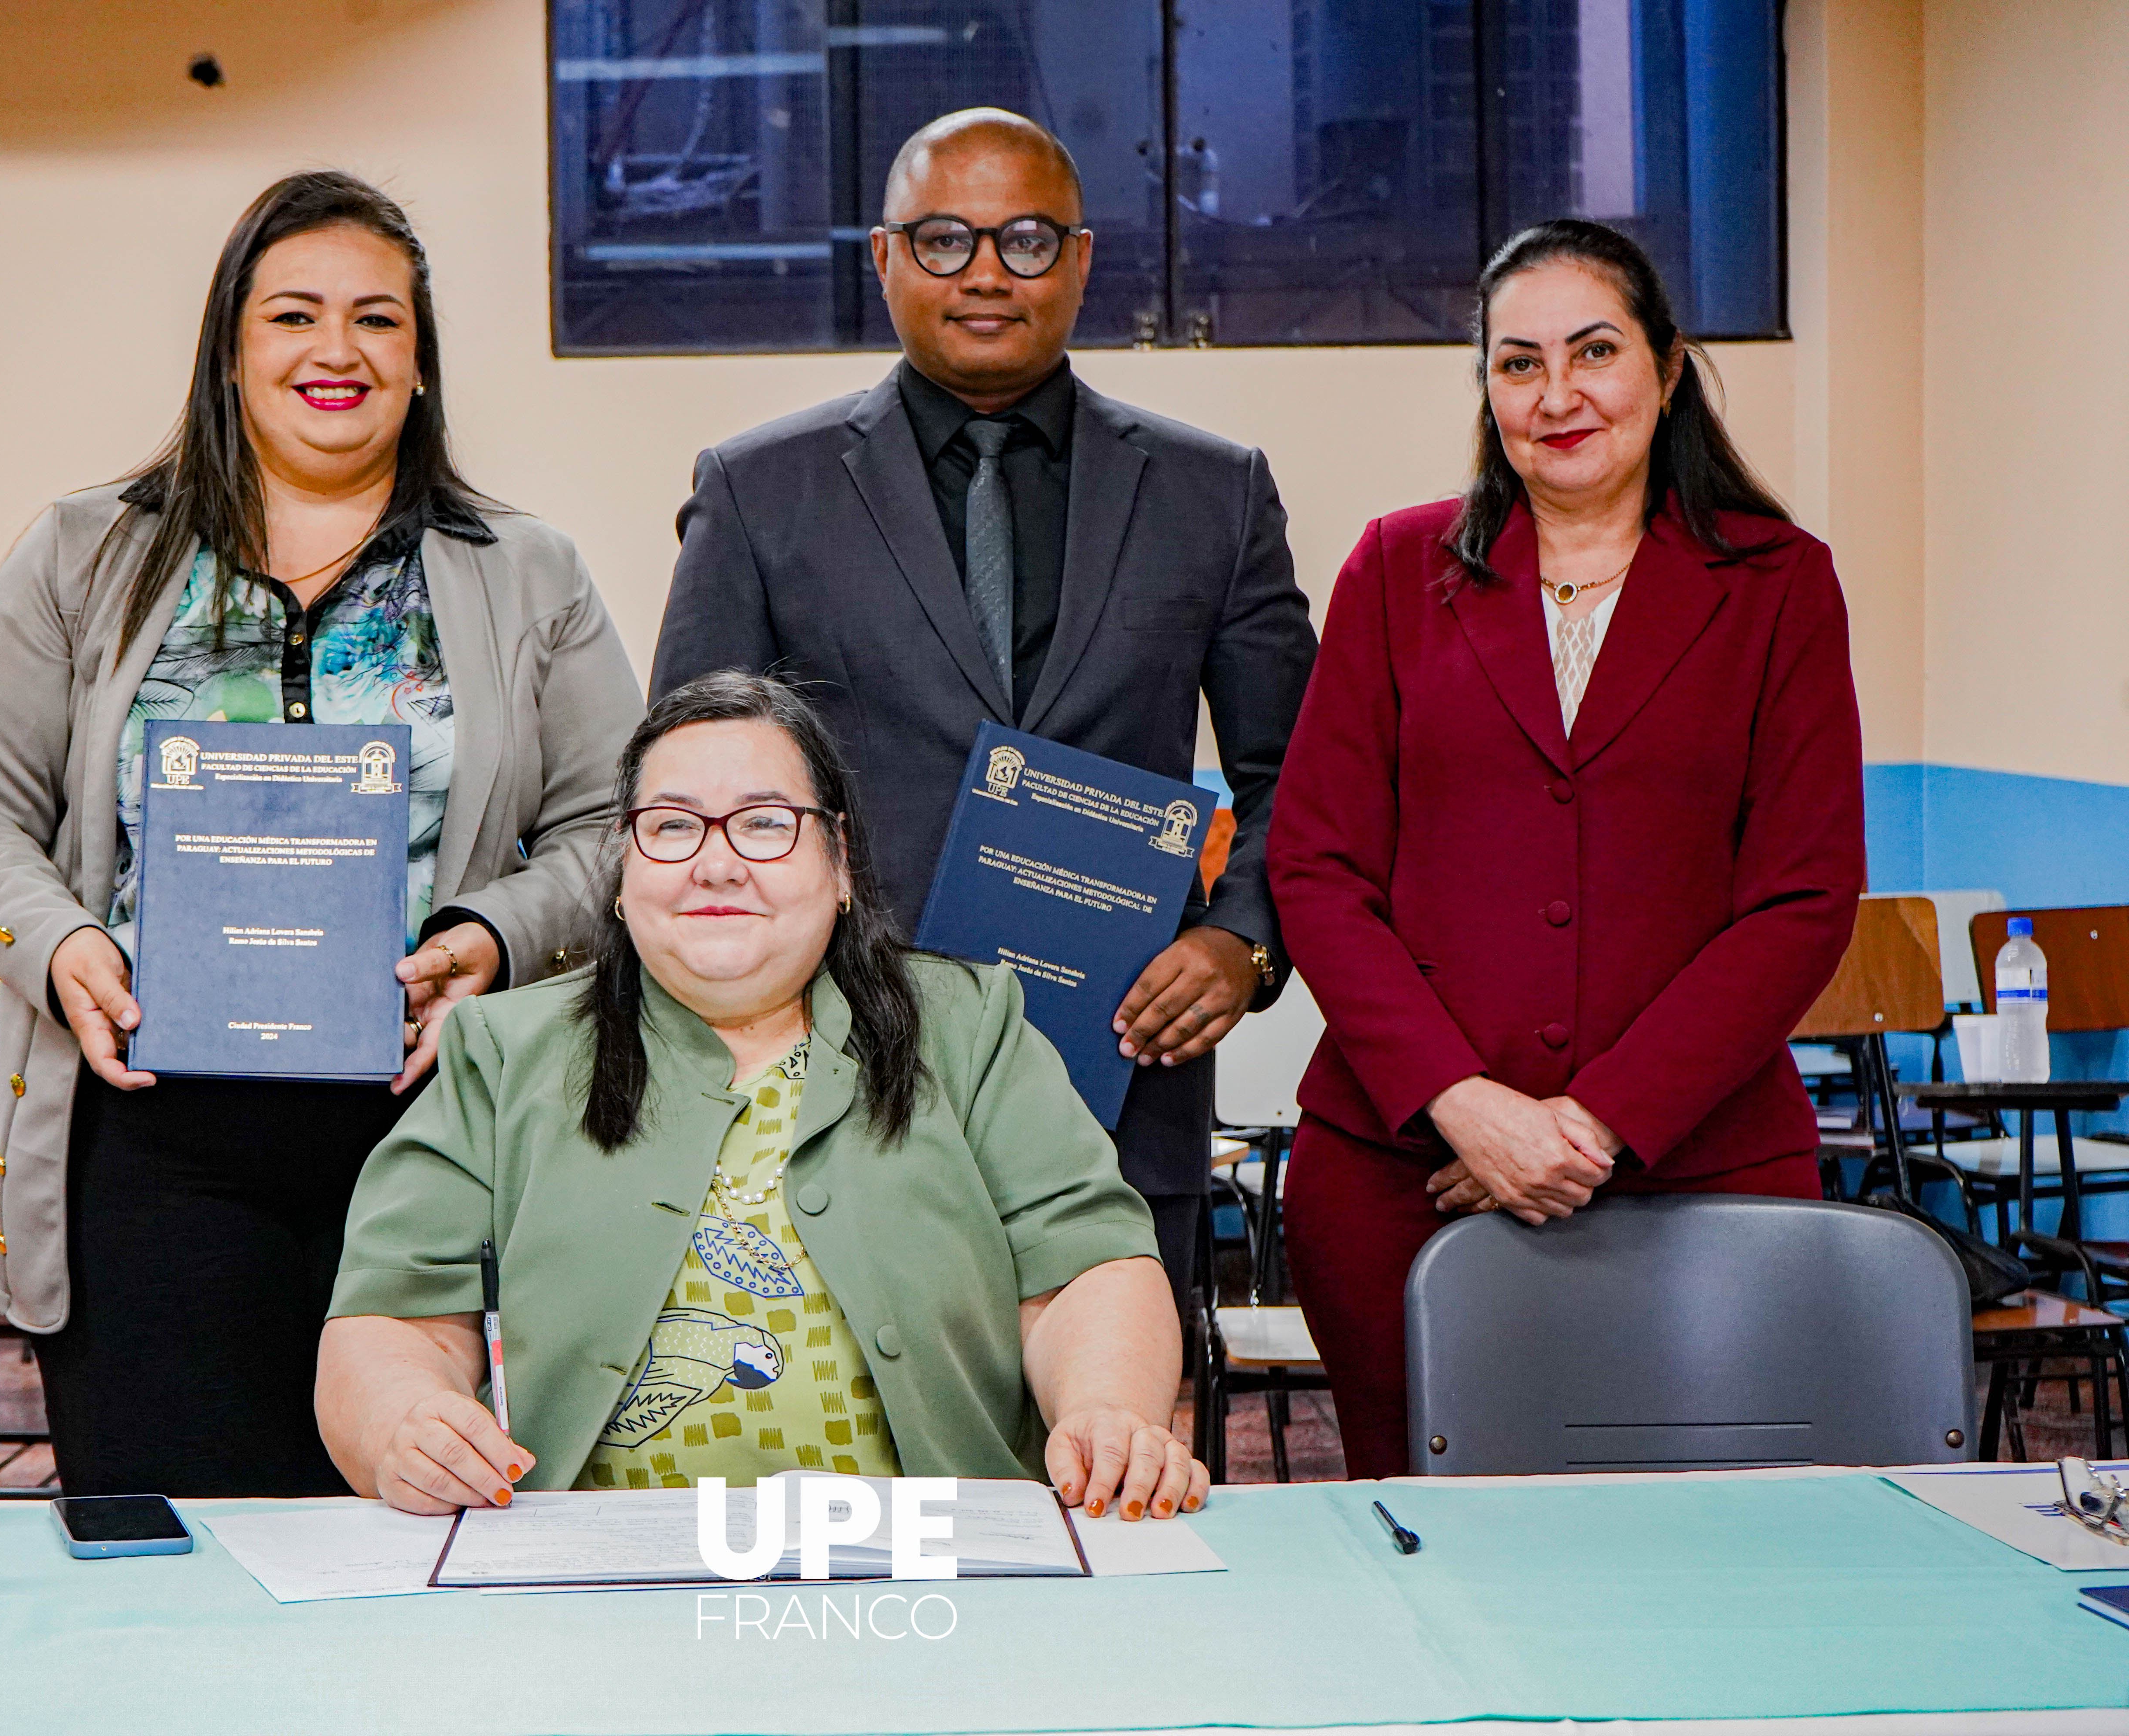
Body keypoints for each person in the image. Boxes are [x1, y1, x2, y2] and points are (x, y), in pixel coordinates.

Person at [0, 171, 642, 1496]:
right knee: (181, 1552)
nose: (336, 351)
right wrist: (64, 946)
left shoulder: (530, 573)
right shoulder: (85, 554)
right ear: (231, 354)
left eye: (378, 320)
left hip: (433, 1126)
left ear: (421, 361)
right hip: (149, 1140)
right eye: (293, 316)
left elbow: (615, 827)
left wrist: (491, 935)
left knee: (425, 1537)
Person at [650, 110, 1317, 1308]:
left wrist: (1241, 939)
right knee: (869, 1470)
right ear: (884, 257)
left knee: (1110, 1464)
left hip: (1122, 1078)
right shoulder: (760, 489)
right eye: (946, 240)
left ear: (1083, 259)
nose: (987, 276)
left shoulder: (1216, 493)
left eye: (1025, 239)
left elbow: (1303, 774)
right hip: (837, 1085)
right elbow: (689, 794)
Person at [318, 672, 1206, 1523]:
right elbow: (396, 1319)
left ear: (841, 860)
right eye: (671, 828)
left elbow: (1087, 1267)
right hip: (592, 1581)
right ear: (623, 871)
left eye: (766, 824)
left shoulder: (968, 1026)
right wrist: (405, 1420)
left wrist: (1107, 1410)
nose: (717, 863)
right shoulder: (502, 1051)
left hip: (934, 1567)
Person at [1267, 220, 1865, 1479]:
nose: (1558, 396)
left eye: (1594, 352)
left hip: (1699, 1174)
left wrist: (1588, 1127)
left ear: (1666, 366)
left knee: (1704, 1564)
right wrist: (1467, 1109)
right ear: (1486, 389)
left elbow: (1803, 898)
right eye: (1517, 363)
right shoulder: (1396, 569)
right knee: (1429, 1553)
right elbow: (1318, 867)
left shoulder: (1778, 583)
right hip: (1403, 1177)